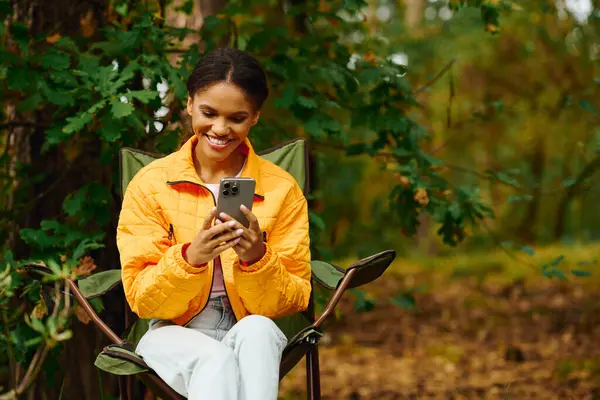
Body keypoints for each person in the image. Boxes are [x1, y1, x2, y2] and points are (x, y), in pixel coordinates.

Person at [116, 47, 312, 400]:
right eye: (208, 113)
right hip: (170, 332)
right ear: (189, 104)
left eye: (237, 117)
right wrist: (190, 258)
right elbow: (144, 300)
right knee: (215, 358)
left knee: (259, 332)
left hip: (249, 325)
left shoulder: (281, 189)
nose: (220, 129)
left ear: (254, 117)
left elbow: (296, 296)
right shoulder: (151, 184)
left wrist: (257, 258)